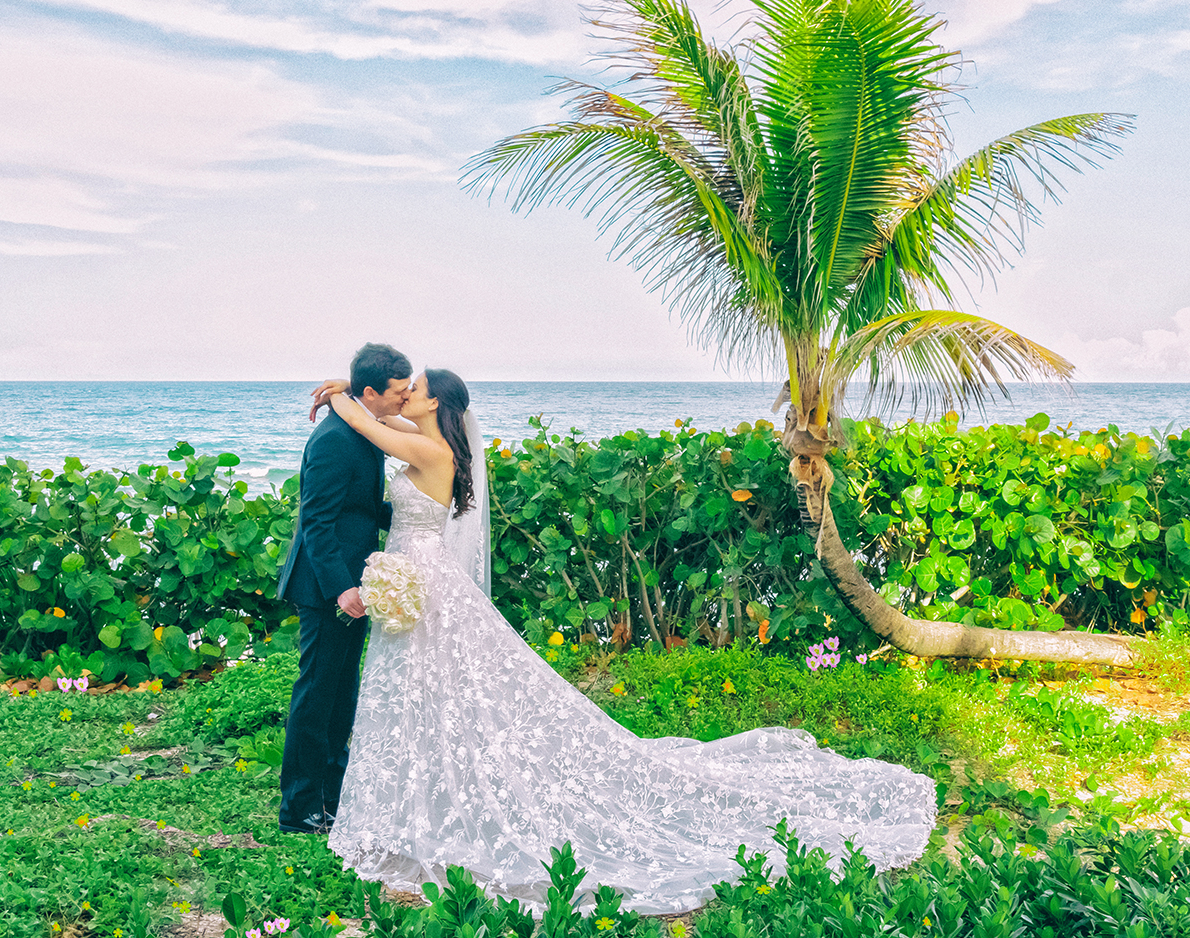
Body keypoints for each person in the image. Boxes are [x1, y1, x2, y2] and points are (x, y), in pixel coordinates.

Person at [318, 370, 937, 913]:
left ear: (436, 405)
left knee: (439, 696)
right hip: (416, 580)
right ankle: (414, 805)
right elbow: (385, 432)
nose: (405, 393)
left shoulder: (427, 450)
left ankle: (425, 810)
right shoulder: (426, 441)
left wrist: (342, 392)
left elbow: (370, 426)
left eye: (415, 388)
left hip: (421, 582)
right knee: (420, 698)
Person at [276, 342, 412, 835]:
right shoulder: (335, 438)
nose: (405, 398)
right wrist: (340, 590)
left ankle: (333, 796)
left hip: (357, 583)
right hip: (325, 586)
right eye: (398, 392)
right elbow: (317, 520)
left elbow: (359, 508)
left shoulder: (363, 427)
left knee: (341, 694)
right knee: (316, 695)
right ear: (372, 392)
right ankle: (299, 809)